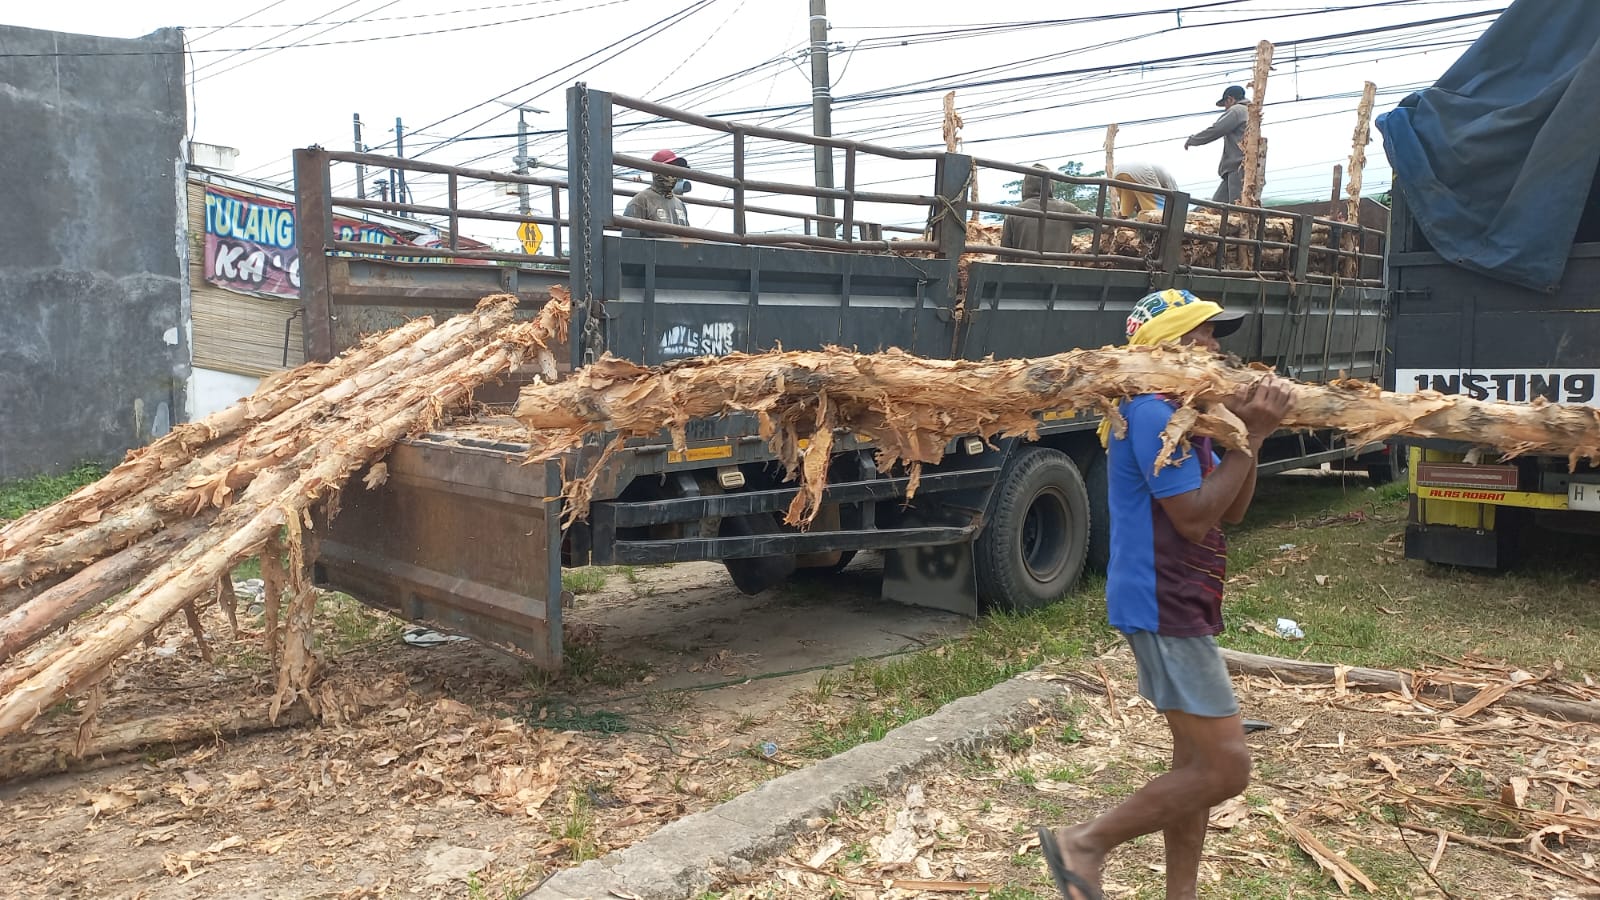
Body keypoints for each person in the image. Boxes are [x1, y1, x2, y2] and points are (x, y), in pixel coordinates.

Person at [1037, 289, 1293, 900]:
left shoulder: (1190, 414)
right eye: (1203, 336)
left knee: (1195, 768)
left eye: (1215, 337)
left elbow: (1233, 511)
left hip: (1183, 597)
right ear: (1167, 349)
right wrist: (1252, 436)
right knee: (1226, 768)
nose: (1216, 349)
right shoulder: (1153, 412)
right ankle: (1084, 844)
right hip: (1164, 600)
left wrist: (1243, 437)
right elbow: (1194, 519)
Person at [1185, 85, 1249, 204]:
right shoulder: (1248, 111)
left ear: (1230, 99)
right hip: (1238, 168)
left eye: (1225, 104)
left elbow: (1216, 130)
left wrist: (1193, 140)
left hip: (1238, 167)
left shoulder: (1237, 110)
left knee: (1237, 210)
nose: (1225, 108)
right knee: (1215, 207)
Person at [1000, 163, 1083, 255]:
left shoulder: (1013, 213)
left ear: (1026, 186)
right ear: (1050, 185)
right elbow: (1097, 222)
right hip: (1060, 268)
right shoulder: (1068, 209)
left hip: (1023, 269)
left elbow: (1004, 256)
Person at [622, 149, 691, 236]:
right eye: (668, 168)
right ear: (655, 172)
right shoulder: (641, 201)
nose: (672, 174)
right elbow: (628, 242)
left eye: (675, 169)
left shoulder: (680, 204)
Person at [1111, 162, 1179, 220]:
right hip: (1141, 170)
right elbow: (1175, 200)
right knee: (1159, 212)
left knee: (1124, 210)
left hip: (1118, 171)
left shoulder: (1162, 174)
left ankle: (1117, 227)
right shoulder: (1172, 184)